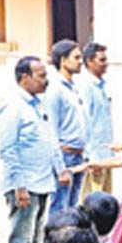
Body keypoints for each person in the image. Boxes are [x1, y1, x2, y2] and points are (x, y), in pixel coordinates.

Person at [0, 56, 63, 243]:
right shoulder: (13, 105)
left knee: (35, 236)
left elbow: (49, 139)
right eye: (41, 75)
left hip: (42, 181)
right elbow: (8, 148)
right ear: (24, 77)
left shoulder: (37, 104)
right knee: (21, 236)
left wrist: (60, 169)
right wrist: (19, 185)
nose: (45, 81)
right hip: (24, 183)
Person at [44, 39, 87, 215]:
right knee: (60, 210)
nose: (80, 61)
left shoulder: (73, 88)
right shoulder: (55, 90)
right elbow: (51, 130)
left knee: (72, 209)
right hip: (65, 155)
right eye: (76, 57)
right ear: (63, 60)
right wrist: (60, 167)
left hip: (78, 156)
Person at [78, 42, 115, 196]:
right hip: (95, 157)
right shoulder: (85, 87)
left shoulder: (102, 85)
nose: (106, 64)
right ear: (89, 62)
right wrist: (91, 156)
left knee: (106, 201)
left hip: (105, 154)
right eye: (102, 60)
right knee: (92, 200)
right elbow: (84, 122)